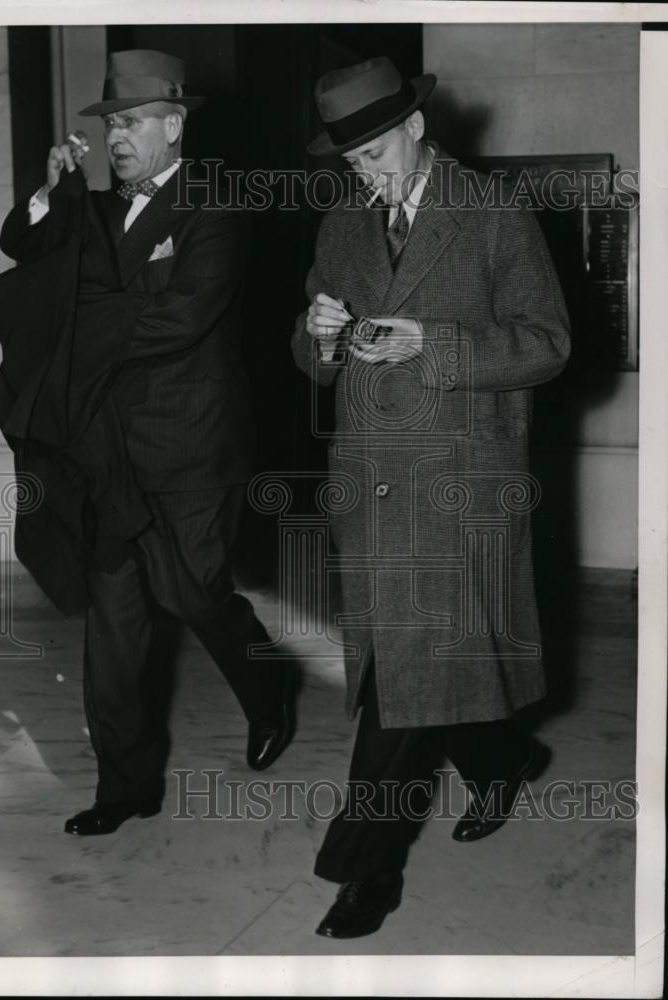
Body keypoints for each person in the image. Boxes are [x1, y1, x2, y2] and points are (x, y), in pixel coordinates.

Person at [292, 56, 571, 938]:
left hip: (460, 485)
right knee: (424, 677)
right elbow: (308, 353)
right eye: (352, 161)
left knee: (393, 693)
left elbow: (549, 343)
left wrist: (436, 345)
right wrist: (318, 335)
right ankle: (504, 755)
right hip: (371, 485)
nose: (365, 173)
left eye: (375, 151)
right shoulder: (343, 219)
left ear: (416, 125)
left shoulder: (493, 214)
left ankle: (362, 871)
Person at [0, 49, 295, 836]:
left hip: (190, 448)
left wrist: (76, 343)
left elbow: (185, 315)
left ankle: (269, 693)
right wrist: (51, 190)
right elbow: (24, 255)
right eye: (107, 126)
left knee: (193, 594)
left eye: (128, 123)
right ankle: (124, 787)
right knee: (114, 616)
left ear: (173, 124)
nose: (115, 138)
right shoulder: (94, 208)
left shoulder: (214, 205)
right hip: (105, 452)